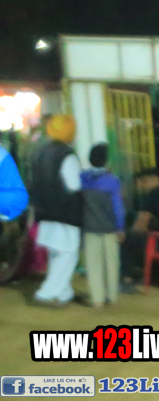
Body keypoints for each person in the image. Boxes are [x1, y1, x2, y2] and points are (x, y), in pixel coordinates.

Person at [28, 114, 83, 306]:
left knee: (55, 253)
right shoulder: (67, 154)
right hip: (65, 213)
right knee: (68, 253)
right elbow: (74, 185)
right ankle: (47, 292)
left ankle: (64, 292)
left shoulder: (39, 152)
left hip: (44, 212)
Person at [80, 142, 125, 307]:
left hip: (90, 227)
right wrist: (120, 227)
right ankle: (111, 296)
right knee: (111, 263)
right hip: (109, 228)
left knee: (93, 264)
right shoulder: (112, 181)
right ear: (106, 160)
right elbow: (118, 207)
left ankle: (97, 298)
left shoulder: (82, 178)